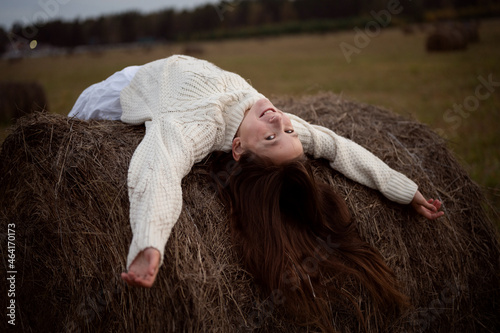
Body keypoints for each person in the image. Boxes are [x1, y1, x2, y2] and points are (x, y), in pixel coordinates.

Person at [69, 55, 443, 329]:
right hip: (156, 73)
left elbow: (159, 169)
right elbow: (336, 146)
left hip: (115, 96)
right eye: (289, 132)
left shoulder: (199, 127)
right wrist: (406, 190)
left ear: (237, 150)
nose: (282, 120)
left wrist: (149, 243)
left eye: (271, 136)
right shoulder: (273, 122)